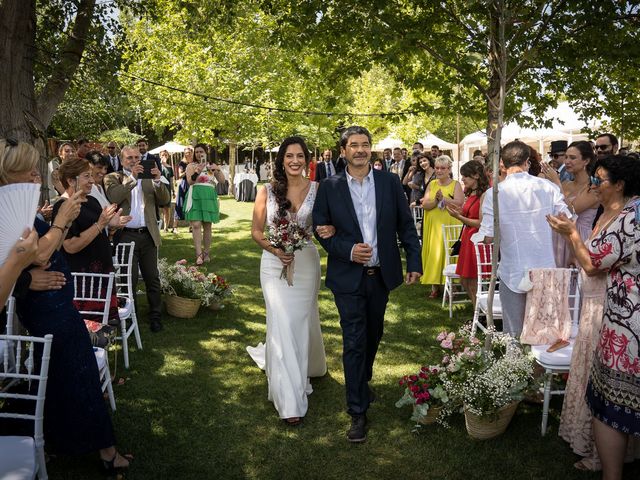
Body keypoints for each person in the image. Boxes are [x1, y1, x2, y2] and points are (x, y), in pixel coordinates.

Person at [0, 138, 132, 473]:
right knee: (81, 373)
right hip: (48, 310)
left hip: (56, 301)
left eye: (34, 169)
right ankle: (106, 453)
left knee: (59, 377)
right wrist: (61, 224)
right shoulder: (13, 211)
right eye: (27, 170)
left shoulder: (25, 208)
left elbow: (40, 254)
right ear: (6, 174)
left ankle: (54, 442)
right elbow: (39, 254)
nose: (35, 176)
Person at [312, 126, 422, 443]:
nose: (360, 150)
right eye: (354, 145)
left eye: (365, 145)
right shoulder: (329, 187)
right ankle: (357, 411)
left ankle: (361, 381)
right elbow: (321, 229)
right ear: (343, 150)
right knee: (354, 341)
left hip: (380, 276)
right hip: (348, 278)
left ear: (370, 150)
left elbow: (405, 225)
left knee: (373, 334)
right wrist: (347, 249)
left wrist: (414, 261)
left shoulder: (388, 182)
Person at [547, 155, 640, 480]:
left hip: (624, 323)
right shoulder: (616, 211)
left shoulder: (631, 218)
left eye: (600, 180)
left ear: (620, 184)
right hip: (610, 313)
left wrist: (571, 234)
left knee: (611, 402)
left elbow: (591, 264)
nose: (595, 185)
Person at [248, 136, 329, 426]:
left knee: (299, 321)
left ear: (307, 159)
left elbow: (327, 223)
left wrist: (329, 228)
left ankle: (308, 366)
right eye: (289, 156)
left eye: (300, 156)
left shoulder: (320, 190)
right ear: (281, 160)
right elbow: (257, 231)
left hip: (306, 263)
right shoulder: (266, 191)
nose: (294, 161)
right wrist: (275, 249)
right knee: (281, 321)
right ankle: (290, 399)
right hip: (272, 264)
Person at [476, 140, 573, 336]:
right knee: (545, 331)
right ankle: (539, 365)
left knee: (514, 333)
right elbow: (567, 220)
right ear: (527, 162)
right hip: (544, 266)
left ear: (502, 164)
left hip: (513, 269)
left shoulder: (493, 193)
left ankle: (516, 365)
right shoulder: (547, 187)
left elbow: (487, 237)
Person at [53, 157, 130, 323]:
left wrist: (112, 228)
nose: (92, 181)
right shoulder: (63, 206)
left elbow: (99, 235)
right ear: (71, 180)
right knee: (87, 330)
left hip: (101, 276)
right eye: (86, 176)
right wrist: (101, 223)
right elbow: (70, 246)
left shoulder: (92, 200)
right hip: (83, 282)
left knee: (104, 328)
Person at [104, 145, 169, 333]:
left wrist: (157, 180)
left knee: (152, 277)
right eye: (129, 158)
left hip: (148, 234)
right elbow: (114, 196)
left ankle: (155, 316)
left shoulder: (148, 177)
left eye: (137, 157)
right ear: (122, 160)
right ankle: (128, 317)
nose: (134, 160)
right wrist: (132, 177)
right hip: (125, 234)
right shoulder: (113, 177)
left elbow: (164, 200)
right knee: (128, 278)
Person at [541, 141, 599, 267]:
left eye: (572, 157)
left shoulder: (593, 188)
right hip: (558, 238)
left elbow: (571, 212)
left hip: (579, 239)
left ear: (586, 161)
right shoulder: (566, 184)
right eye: (566, 157)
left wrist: (556, 182)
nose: (567, 161)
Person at [445, 160, 489, 307]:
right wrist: (456, 210)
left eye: (466, 176)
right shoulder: (471, 193)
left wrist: (459, 217)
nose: (462, 179)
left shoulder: (484, 195)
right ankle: (478, 309)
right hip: (468, 238)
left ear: (476, 175)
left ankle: (480, 313)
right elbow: (467, 213)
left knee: (471, 279)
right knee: (464, 279)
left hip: (476, 239)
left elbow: (480, 223)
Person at [420, 155, 463, 298]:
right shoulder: (432, 185)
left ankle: (453, 286)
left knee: (449, 252)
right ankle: (435, 286)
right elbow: (425, 205)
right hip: (434, 224)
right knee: (435, 252)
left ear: (449, 169)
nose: (439, 171)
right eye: (437, 168)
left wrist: (444, 199)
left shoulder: (455, 184)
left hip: (450, 222)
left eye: (443, 168)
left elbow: (459, 202)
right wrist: (436, 200)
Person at [184, 143, 225, 265]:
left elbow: (222, 181)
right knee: (196, 224)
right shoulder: (191, 166)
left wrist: (217, 169)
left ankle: (206, 252)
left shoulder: (212, 165)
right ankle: (198, 254)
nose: (198, 154)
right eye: (196, 152)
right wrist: (198, 171)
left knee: (207, 225)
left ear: (206, 152)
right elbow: (190, 182)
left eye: (201, 151)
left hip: (208, 196)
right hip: (196, 195)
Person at [174, 146, 194, 223]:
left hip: (192, 185)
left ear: (192, 153)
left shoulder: (194, 163)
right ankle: (175, 226)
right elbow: (179, 175)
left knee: (192, 205)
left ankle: (191, 226)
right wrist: (187, 170)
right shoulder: (182, 163)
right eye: (185, 153)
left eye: (189, 153)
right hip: (184, 185)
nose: (187, 154)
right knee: (180, 204)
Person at [159, 149, 175, 233]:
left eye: (165, 155)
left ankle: (166, 227)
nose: (164, 156)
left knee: (166, 209)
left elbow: (171, 180)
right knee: (158, 208)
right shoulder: (157, 166)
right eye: (162, 155)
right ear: (160, 156)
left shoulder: (169, 168)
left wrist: (173, 190)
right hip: (158, 189)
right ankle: (157, 226)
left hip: (167, 188)